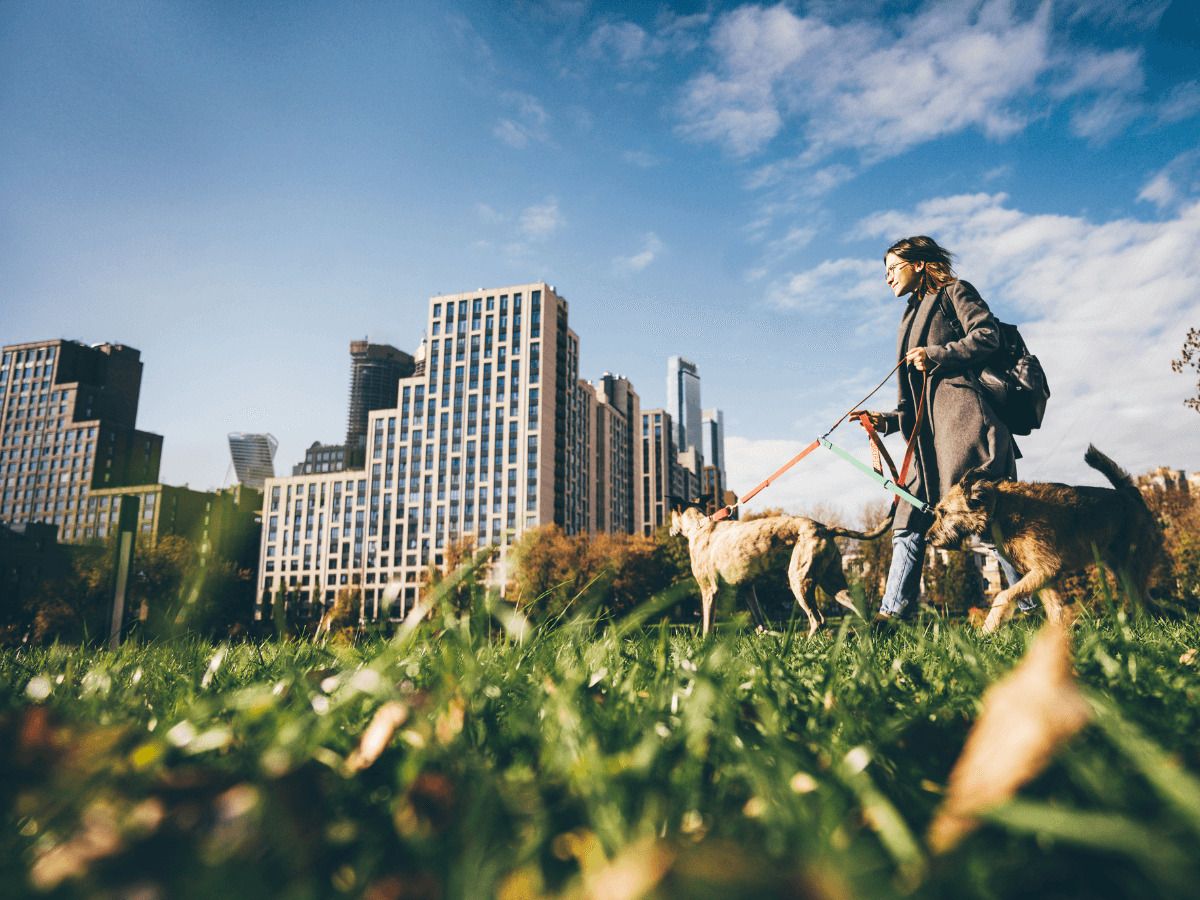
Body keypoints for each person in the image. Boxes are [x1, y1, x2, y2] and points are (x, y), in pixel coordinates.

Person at [852, 235, 1027, 622]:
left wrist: (937, 354)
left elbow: (987, 335)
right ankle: (891, 615)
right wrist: (888, 420)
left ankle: (1031, 608)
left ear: (918, 264)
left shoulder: (955, 292)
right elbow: (919, 402)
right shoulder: (909, 316)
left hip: (968, 432)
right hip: (927, 448)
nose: (886, 279)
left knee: (993, 524)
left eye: (892, 269)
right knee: (908, 523)